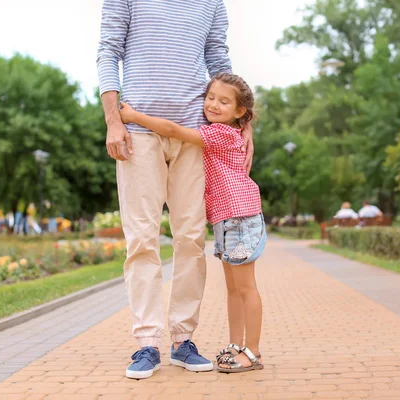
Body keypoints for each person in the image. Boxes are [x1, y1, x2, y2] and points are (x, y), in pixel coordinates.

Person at [96, 0, 254, 379]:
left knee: (190, 239)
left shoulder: (212, 2)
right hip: (137, 133)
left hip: (194, 135)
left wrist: (242, 121)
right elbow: (108, 50)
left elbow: (218, 58)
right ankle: (147, 343)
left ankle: (183, 340)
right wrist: (113, 121)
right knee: (142, 240)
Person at [120, 72, 266, 374]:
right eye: (210, 97)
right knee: (233, 290)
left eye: (224, 102)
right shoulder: (218, 129)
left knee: (246, 288)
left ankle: (252, 352)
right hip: (227, 220)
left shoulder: (219, 133)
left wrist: (133, 115)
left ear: (240, 112)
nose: (213, 105)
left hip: (240, 219)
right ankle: (235, 346)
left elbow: (172, 129)